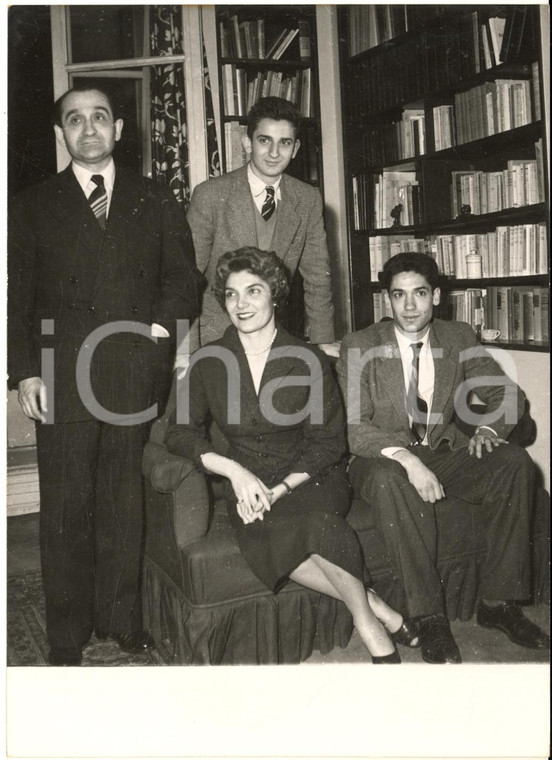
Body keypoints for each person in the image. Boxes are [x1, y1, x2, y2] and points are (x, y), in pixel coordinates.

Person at [7, 84, 205, 666]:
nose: (88, 129)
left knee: (123, 498)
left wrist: (160, 337)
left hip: (129, 371)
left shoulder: (155, 198)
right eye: (75, 120)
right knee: (66, 505)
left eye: (99, 118)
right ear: (61, 134)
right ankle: (66, 634)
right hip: (60, 374)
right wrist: (23, 372)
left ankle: (122, 618)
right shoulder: (35, 202)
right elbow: (18, 297)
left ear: (120, 129)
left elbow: (182, 279)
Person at [165, 246, 420, 663]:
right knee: (271, 533)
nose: (241, 304)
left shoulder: (307, 359)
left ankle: (366, 622)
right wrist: (234, 472)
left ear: (275, 295)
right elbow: (179, 432)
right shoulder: (209, 360)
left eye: (253, 291)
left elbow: (328, 443)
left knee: (316, 524)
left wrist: (281, 488)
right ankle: (379, 607)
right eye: (231, 294)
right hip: (248, 482)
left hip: (310, 476)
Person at [336, 251, 549, 664]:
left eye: (419, 294)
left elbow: (506, 395)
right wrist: (408, 462)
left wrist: (488, 430)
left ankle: (498, 604)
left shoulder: (458, 337)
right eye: (398, 296)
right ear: (388, 301)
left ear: (436, 296)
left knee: (513, 463)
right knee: (389, 478)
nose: (409, 306)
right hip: (378, 457)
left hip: (441, 452)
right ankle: (429, 615)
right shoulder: (360, 345)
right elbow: (355, 428)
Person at [186, 96, 339, 356]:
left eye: (285, 143)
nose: (274, 153)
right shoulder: (211, 195)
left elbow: (318, 277)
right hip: (215, 339)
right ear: (247, 143)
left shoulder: (308, 199)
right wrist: (185, 352)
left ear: (296, 148)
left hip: (275, 339)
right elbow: (185, 282)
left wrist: (322, 340)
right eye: (264, 140)